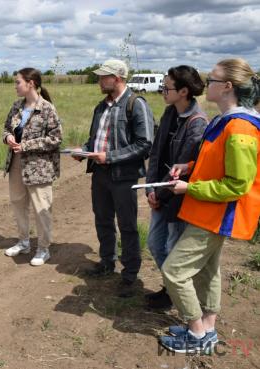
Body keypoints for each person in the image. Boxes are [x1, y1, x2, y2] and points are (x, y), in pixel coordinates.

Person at [160, 58, 260, 353]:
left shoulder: (240, 126)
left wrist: (189, 187)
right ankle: (209, 327)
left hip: (217, 215)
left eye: (212, 79)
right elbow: (217, 164)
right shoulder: (226, 120)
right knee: (208, 272)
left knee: (174, 272)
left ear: (228, 87)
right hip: (208, 213)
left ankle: (196, 333)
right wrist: (189, 166)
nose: (206, 83)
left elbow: (237, 184)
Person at [73, 59, 154, 297]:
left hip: (123, 176)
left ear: (117, 78)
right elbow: (95, 138)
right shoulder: (101, 107)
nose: (99, 81)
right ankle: (107, 262)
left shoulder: (135, 104)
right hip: (100, 174)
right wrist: (84, 150)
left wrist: (108, 157)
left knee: (127, 225)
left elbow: (145, 144)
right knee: (103, 219)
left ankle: (129, 276)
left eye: (102, 77)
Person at [144, 66, 208, 310]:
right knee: (154, 243)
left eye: (167, 87)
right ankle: (172, 288)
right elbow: (157, 152)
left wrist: (158, 195)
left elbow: (181, 169)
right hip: (159, 193)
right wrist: (150, 189)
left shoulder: (197, 123)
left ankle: (178, 296)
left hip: (177, 199)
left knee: (172, 247)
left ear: (183, 91)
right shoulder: (169, 112)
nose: (162, 90)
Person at [2, 68, 62, 266]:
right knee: (18, 203)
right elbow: (6, 129)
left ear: (31, 83)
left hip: (39, 167)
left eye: (18, 82)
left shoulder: (47, 109)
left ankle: (43, 249)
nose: (15, 86)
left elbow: (56, 138)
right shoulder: (16, 106)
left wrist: (27, 145)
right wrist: (8, 137)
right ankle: (23, 242)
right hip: (16, 164)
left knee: (41, 208)